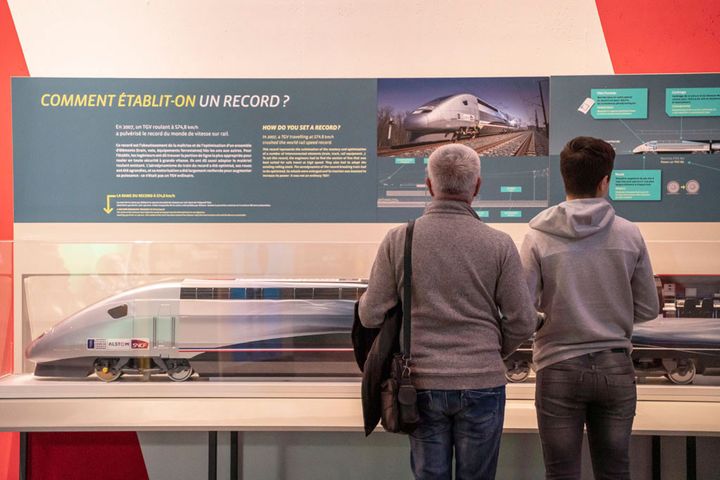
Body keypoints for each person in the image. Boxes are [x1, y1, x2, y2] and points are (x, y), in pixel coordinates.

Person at [359, 143, 537, 480]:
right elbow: (524, 320)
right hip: (483, 381)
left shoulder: (399, 239)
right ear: (477, 187)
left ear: (429, 186)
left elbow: (370, 316)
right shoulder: (499, 243)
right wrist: (492, 351)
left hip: (420, 385)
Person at [520, 136, 660, 480]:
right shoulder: (629, 234)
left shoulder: (537, 236)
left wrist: (547, 319)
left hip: (558, 368)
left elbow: (523, 311)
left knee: (561, 473)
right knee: (614, 472)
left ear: (565, 178)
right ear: (604, 182)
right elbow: (647, 308)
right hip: (615, 367)